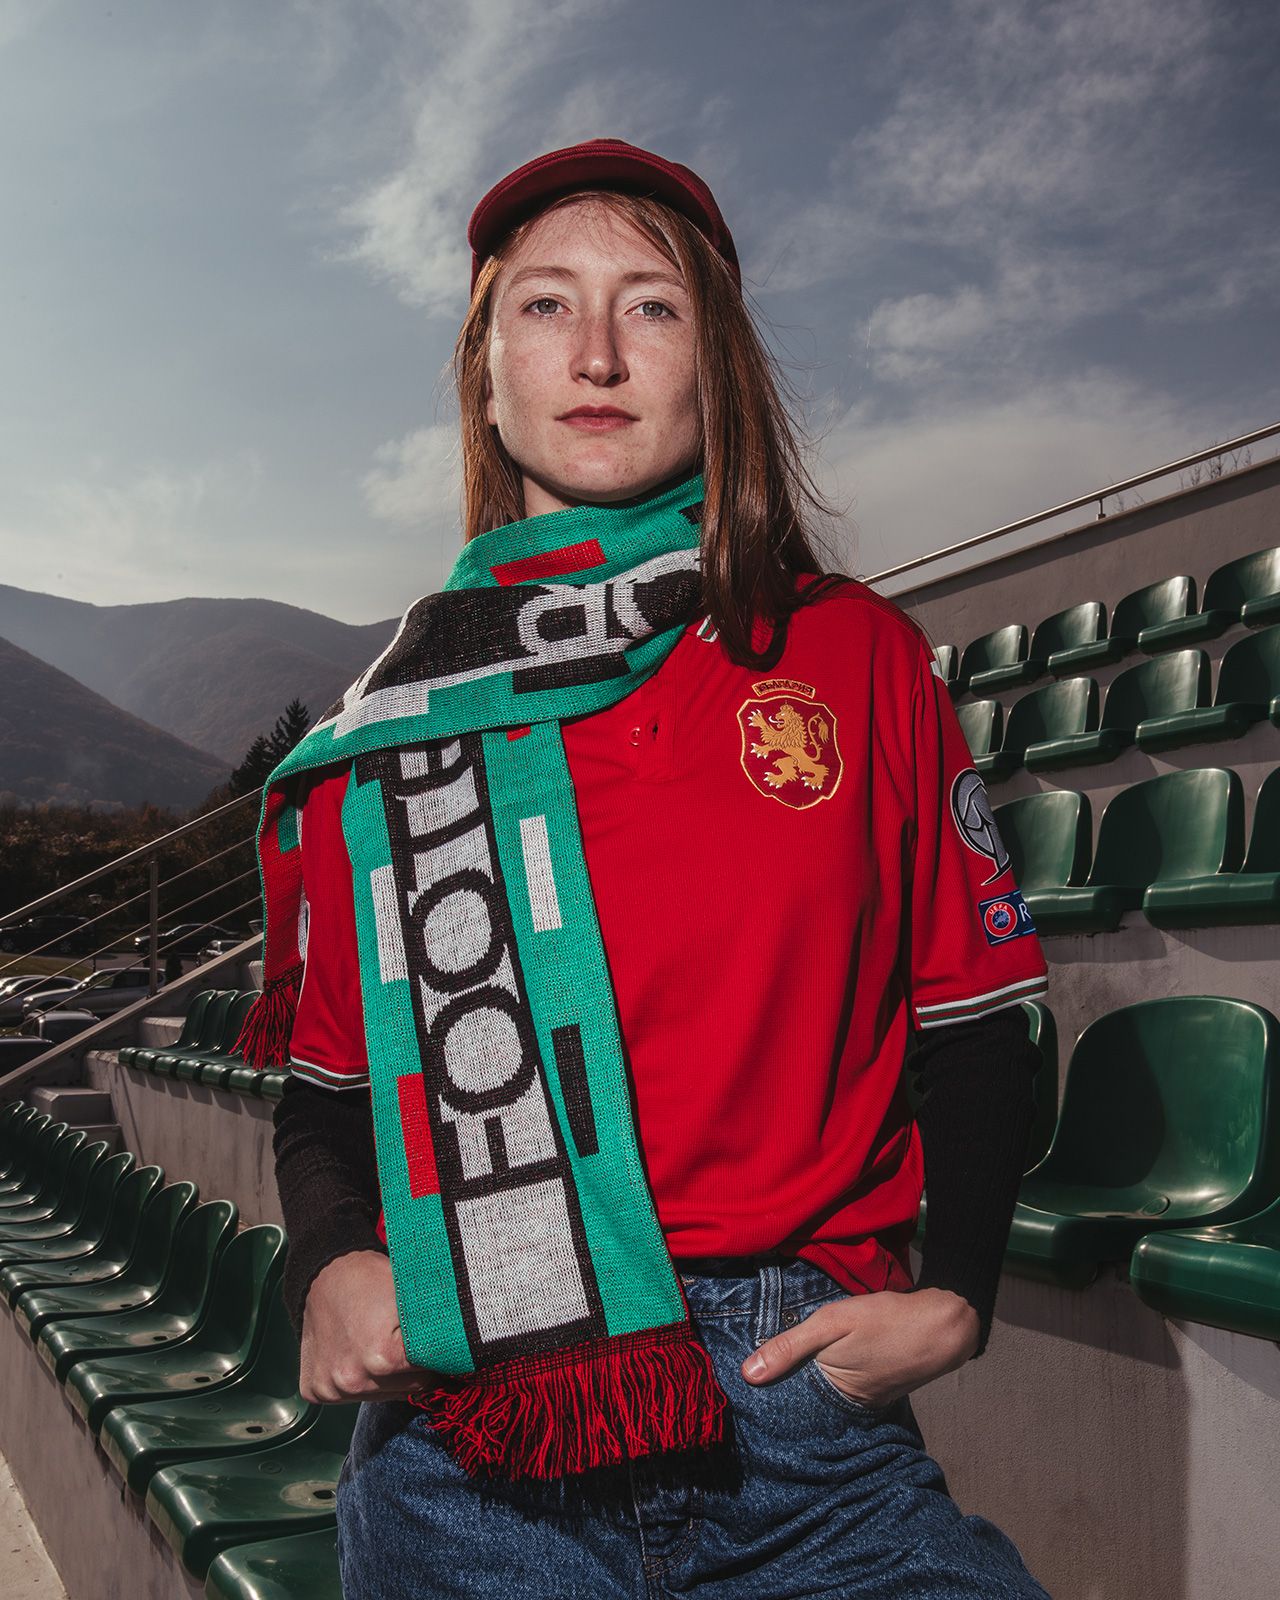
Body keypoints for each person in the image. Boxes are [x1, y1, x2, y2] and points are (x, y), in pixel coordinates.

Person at [268, 138, 1054, 1597]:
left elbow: (977, 1022)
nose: (599, 354)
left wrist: (959, 1293)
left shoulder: (853, 652)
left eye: (652, 306)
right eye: (545, 306)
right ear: (486, 375)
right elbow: (326, 1095)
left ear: (717, 368)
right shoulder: (387, 728)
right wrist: (328, 1260)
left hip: (801, 1414)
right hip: (472, 1437)